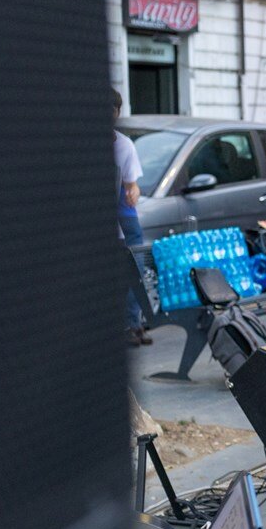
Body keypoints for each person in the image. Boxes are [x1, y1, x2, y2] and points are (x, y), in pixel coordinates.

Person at [113, 88, 149, 347]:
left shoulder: (124, 144)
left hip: (125, 216)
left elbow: (131, 184)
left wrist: (133, 191)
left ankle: (133, 324)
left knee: (135, 270)